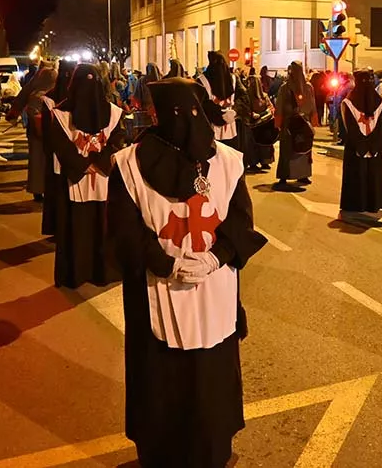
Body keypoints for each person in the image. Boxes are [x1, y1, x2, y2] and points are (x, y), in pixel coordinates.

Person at [108, 77, 266, 467]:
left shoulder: (227, 162)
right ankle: (173, 454)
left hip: (212, 288)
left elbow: (240, 219)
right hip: (157, 291)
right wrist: (170, 264)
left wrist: (215, 257)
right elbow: (124, 232)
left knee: (203, 378)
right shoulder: (128, 165)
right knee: (168, 378)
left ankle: (205, 449)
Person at [47, 64, 126, 288]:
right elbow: (59, 145)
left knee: (99, 226)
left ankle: (96, 271)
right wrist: (87, 164)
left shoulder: (114, 113)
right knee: (85, 227)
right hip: (81, 178)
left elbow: (117, 141)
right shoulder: (61, 115)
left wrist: (92, 164)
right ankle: (82, 272)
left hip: (99, 177)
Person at [340, 70, 382, 215]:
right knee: (372, 176)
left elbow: (348, 127)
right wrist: (374, 145)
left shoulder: (349, 102)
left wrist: (360, 145)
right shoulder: (379, 102)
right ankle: (373, 203)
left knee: (356, 176)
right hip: (374, 148)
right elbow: (381, 127)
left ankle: (355, 204)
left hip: (355, 148)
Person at [40, 60, 77, 238]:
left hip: (57, 152)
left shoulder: (50, 96)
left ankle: (58, 227)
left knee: (58, 191)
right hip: (72, 152)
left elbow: (46, 130)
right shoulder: (75, 96)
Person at [11, 66, 58, 200]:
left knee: (37, 163)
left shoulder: (36, 93)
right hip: (43, 135)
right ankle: (40, 189)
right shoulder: (43, 96)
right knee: (41, 163)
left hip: (36, 134)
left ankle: (39, 189)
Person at [274, 61, 317, 189]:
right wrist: (312, 121)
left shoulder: (286, 87)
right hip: (302, 123)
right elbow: (312, 105)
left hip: (290, 124)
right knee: (301, 148)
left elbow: (280, 106)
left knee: (290, 150)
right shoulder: (307, 87)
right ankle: (301, 175)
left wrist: (278, 123)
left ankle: (286, 176)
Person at [198, 52, 238, 149]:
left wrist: (236, 111)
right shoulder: (202, 81)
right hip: (211, 127)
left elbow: (243, 98)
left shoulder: (233, 79)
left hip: (229, 127)